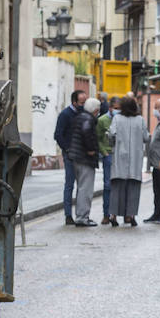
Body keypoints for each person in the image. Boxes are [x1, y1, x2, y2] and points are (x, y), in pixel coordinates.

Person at [107, 96, 149, 226]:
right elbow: (146, 138)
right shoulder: (140, 120)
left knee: (116, 189)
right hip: (135, 160)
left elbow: (111, 135)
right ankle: (131, 216)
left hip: (120, 158)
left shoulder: (117, 119)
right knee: (133, 188)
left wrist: (112, 142)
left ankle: (113, 216)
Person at [54, 90, 88, 225]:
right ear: (74, 102)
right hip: (70, 156)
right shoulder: (65, 115)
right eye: (81, 102)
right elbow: (58, 134)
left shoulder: (83, 113)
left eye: (85, 102)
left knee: (82, 186)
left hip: (82, 155)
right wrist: (67, 149)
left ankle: (81, 214)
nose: (84, 104)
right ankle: (68, 215)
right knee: (69, 185)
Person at [70, 97, 101, 227]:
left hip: (76, 157)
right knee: (85, 189)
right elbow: (87, 132)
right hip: (84, 159)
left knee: (81, 187)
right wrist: (91, 149)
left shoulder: (80, 116)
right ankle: (82, 217)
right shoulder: (88, 120)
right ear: (95, 110)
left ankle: (80, 215)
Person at [97, 97, 121, 224]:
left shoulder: (122, 120)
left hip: (120, 156)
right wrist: (104, 152)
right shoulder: (102, 120)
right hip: (108, 155)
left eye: (119, 108)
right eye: (116, 108)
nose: (118, 111)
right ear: (110, 108)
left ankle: (118, 214)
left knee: (119, 185)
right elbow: (98, 138)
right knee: (107, 186)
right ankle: (106, 214)